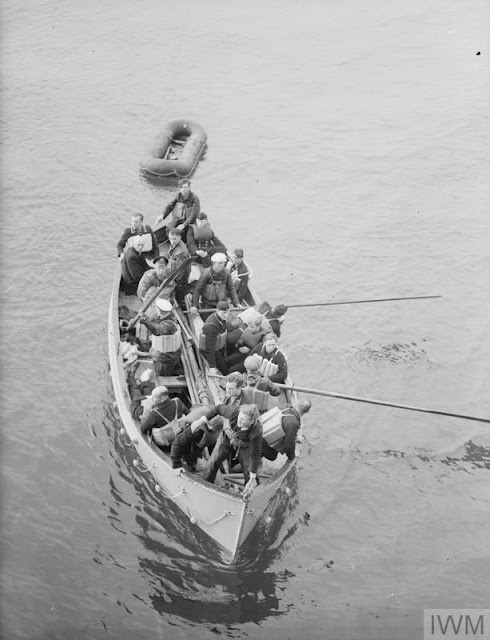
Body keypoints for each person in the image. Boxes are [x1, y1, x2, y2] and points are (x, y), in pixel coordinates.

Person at [192, 404, 263, 498]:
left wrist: (253, 476)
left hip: (243, 445)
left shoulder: (256, 432)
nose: (239, 420)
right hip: (227, 438)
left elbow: (255, 454)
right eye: (239, 417)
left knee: (248, 470)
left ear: (251, 422)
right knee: (213, 462)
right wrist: (201, 420)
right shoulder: (233, 411)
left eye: (243, 420)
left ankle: (250, 494)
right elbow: (217, 408)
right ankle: (205, 487)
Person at [139, 298, 182, 375]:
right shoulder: (165, 317)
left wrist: (145, 321)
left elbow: (157, 330)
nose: (155, 310)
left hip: (167, 357)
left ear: (159, 311)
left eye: (156, 309)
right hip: (168, 354)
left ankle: (166, 381)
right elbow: (155, 324)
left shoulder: (169, 324)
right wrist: (145, 317)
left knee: (163, 374)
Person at [154, 179, 200, 243]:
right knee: (169, 230)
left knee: (189, 238)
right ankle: (171, 240)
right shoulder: (178, 195)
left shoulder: (195, 198)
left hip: (189, 222)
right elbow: (170, 206)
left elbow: (193, 215)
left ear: (189, 188)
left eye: (185, 187)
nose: (183, 190)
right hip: (178, 219)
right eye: (181, 188)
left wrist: (184, 225)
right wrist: (163, 215)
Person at [199, 301, 230, 375]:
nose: (226, 315)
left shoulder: (221, 318)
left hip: (219, 348)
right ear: (217, 311)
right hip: (213, 351)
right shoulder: (211, 326)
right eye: (223, 313)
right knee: (225, 371)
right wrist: (212, 366)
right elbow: (209, 348)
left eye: (228, 312)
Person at [167, 228, 191, 308]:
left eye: (174, 239)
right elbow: (169, 254)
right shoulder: (174, 244)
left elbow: (181, 271)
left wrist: (175, 282)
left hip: (181, 277)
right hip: (175, 269)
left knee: (179, 294)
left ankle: (182, 306)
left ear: (180, 237)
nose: (172, 241)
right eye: (170, 238)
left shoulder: (181, 252)